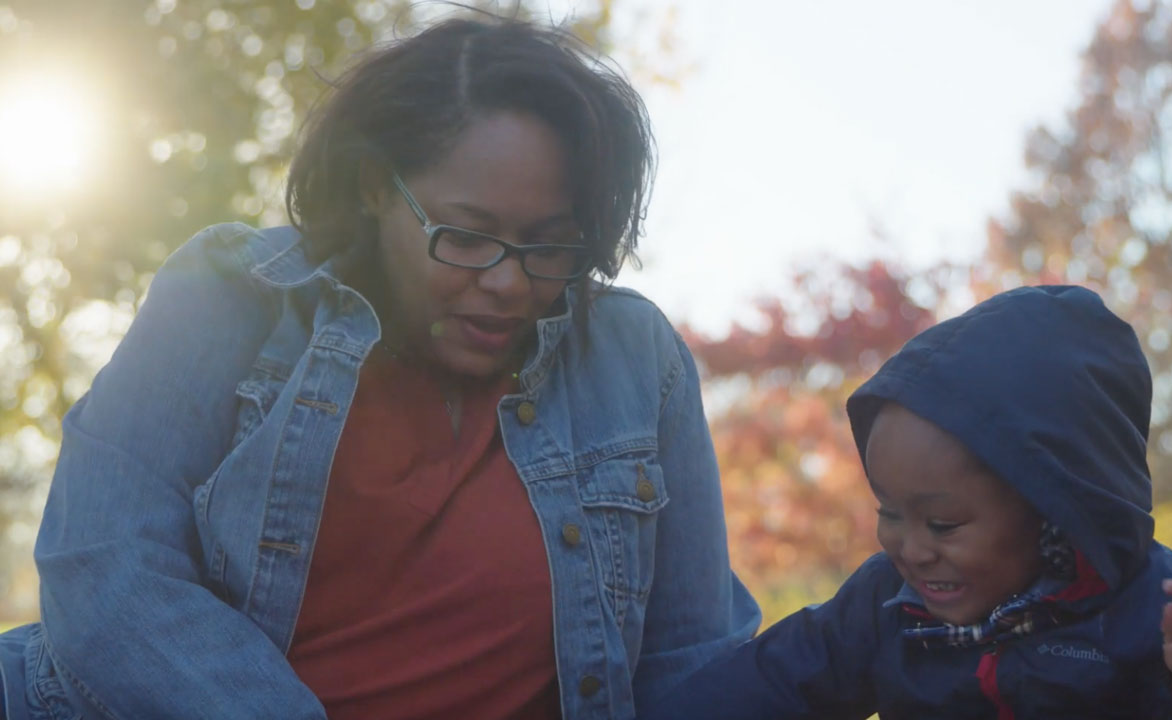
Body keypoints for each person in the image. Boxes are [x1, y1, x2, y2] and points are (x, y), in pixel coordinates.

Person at [0, 14, 759, 720]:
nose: (508, 281)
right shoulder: (232, 294)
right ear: (374, 187)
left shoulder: (633, 359)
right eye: (466, 236)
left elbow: (690, 663)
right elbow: (105, 567)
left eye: (548, 244)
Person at [640, 285, 1172, 719]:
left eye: (942, 523)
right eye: (890, 511)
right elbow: (773, 681)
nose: (911, 548)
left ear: (1050, 508)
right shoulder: (886, 605)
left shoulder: (1151, 609)